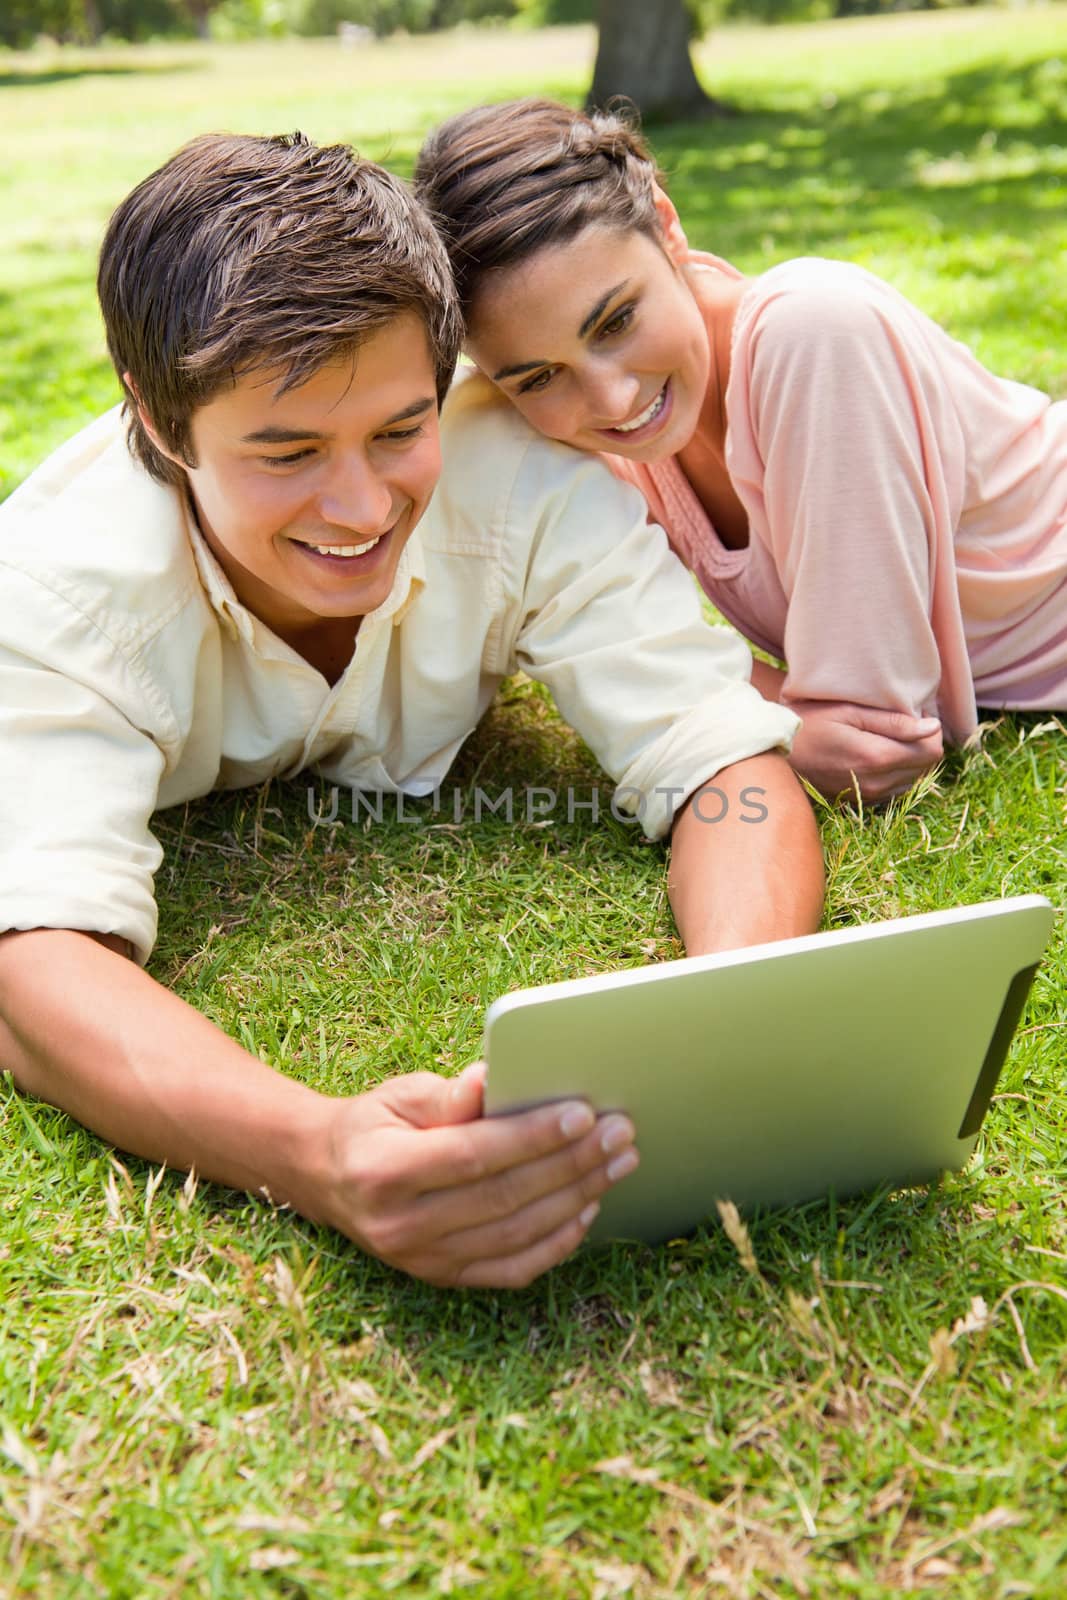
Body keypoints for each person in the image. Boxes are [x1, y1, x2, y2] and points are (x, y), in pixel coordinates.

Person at [0, 132, 823, 1292]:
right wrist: (316, 1151)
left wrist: (716, 1011)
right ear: (157, 416)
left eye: (399, 428)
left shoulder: (521, 476)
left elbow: (723, 765)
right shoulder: (54, 591)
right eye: (283, 451)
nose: (358, 503)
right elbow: (37, 965)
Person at [415, 99, 1067, 803]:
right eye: (539, 376)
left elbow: (869, 744)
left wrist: (765, 712)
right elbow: (621, 643)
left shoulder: (815, 333)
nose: (610, 401)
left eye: (617, 320)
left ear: (665, 227)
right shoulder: (596, 439)